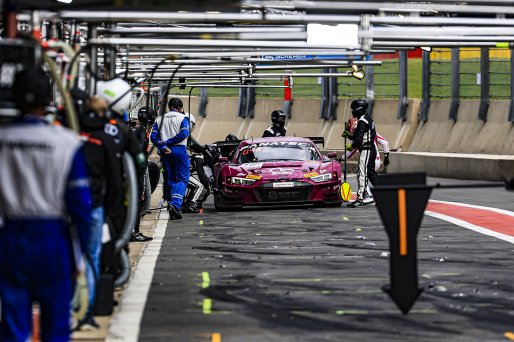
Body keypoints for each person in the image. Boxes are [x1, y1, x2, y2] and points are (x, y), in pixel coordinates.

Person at [0, 66, 93, 341]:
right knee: (55, 325)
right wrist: (81, 254)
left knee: (13, 326)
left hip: (10, 238)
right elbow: (80, 207)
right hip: (53, 241)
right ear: (48, 100)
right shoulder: (66, 143)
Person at [151, 97, 191, 220]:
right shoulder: (183, 118)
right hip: (179, 150)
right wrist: (169, 142)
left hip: (165, 152)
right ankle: (175, 204)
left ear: (169, 107)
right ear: (180, 108)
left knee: (170, 178)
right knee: (182, 179)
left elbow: (153, 137)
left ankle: (170, 203)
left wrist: (163, 146)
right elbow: (184, 134)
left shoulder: (159, 119)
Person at [343, 116, 390, 203]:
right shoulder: (372, 132)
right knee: (370, 176)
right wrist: (386, 157)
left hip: (370, 159)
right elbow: (385, 142)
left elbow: (351, 150)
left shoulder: (360, 135)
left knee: (362, 175)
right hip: (376, 159)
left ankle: (368, 195)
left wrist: (341, 158)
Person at [129, 106, 155, 242]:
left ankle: (130, 230)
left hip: (128, 169)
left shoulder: (133, 129)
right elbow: (138, 151)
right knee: (138, 199)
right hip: (136, 171)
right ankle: (134, 231)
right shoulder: (142, 132)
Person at [344, 99, 377, 208]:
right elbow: (361, 135)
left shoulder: (362, 121)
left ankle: (360, 198)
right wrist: (349, 136)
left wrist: (351, 146)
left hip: (367, 149)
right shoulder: (368, 119)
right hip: (370, 149)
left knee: (362, 174)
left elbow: (358, 140)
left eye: (354, 110)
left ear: (359, 110)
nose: (353, 112)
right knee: (371, 174)